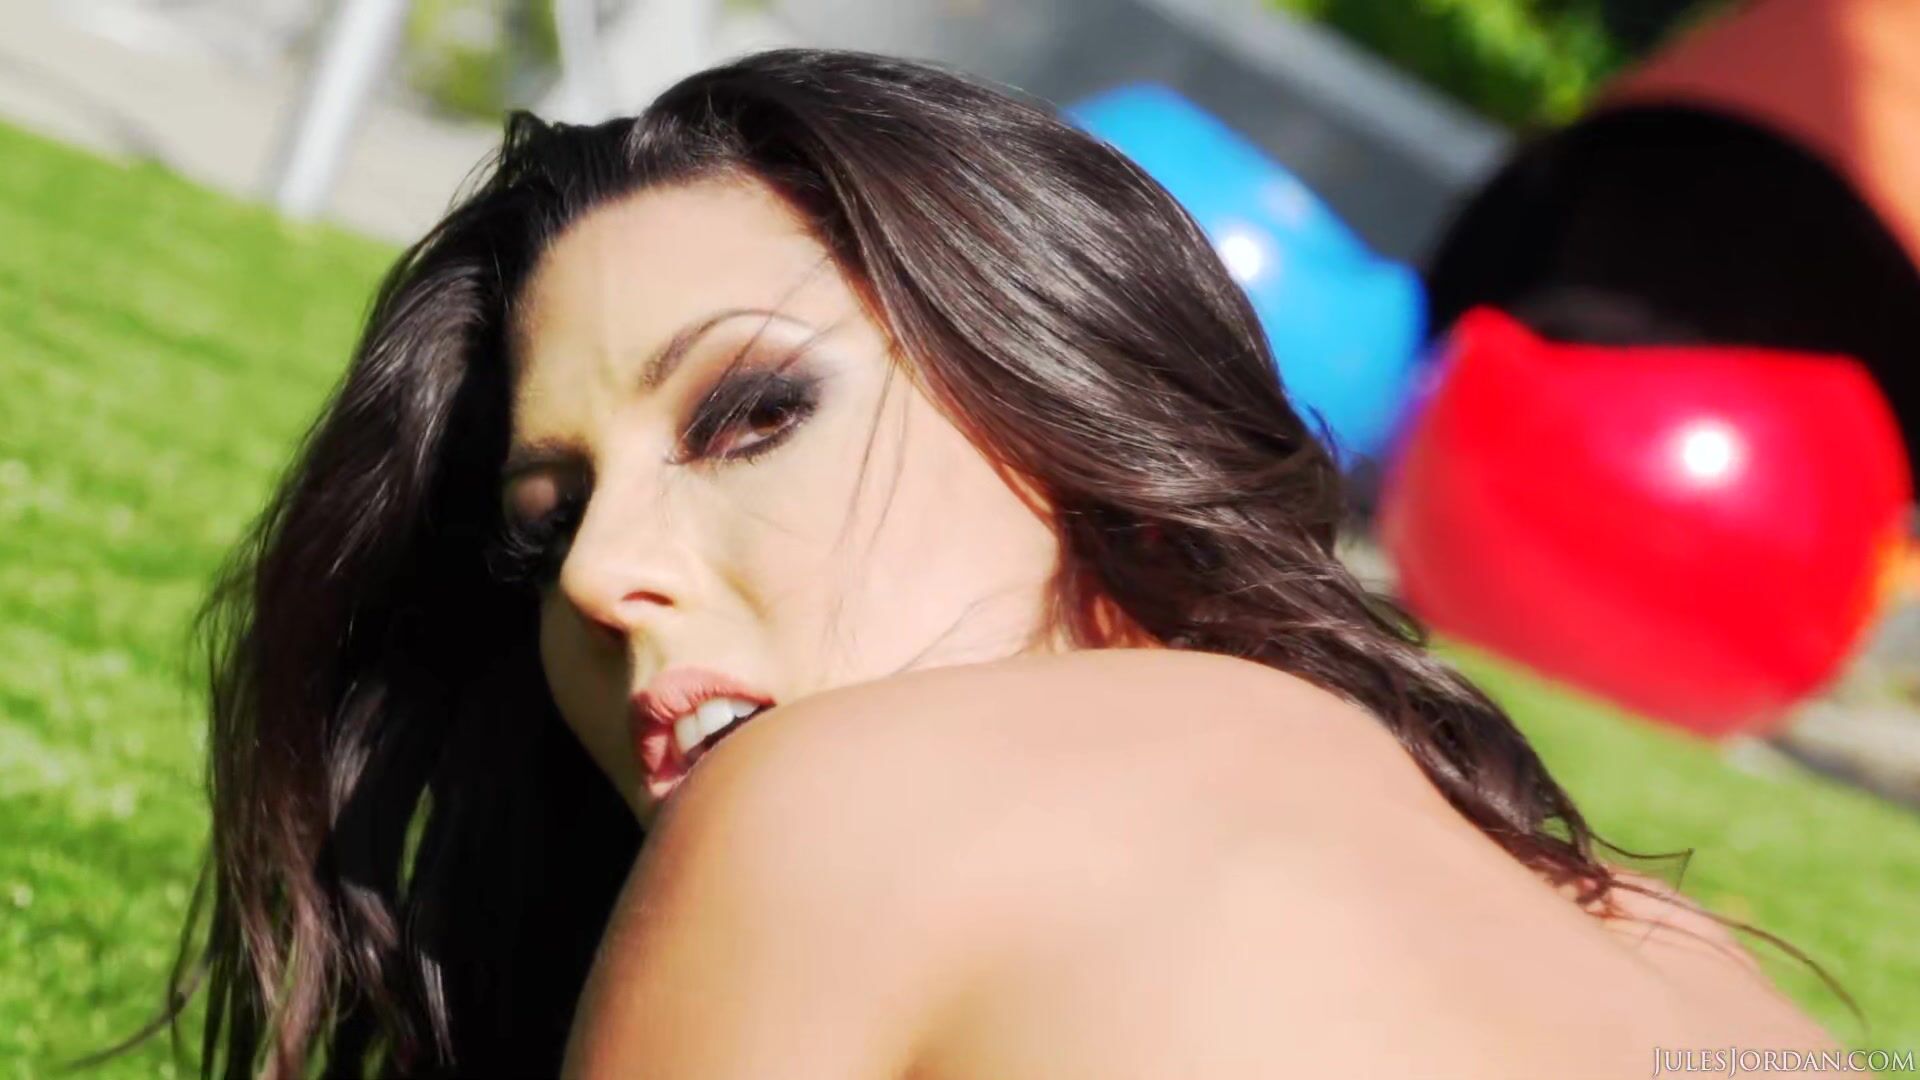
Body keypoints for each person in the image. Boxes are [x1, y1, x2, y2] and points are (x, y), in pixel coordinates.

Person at [155, 48, 1840, 1079]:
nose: (597, 575)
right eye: (544, 527)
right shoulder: (1686, 961)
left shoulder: (831, 800)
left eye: (753, 415)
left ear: (1070, 403)